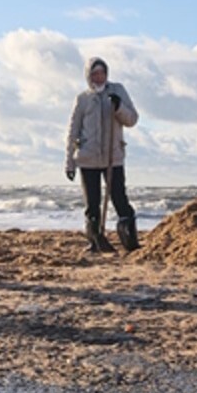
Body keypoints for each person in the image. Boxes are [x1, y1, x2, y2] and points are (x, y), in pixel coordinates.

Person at [65, 57, 140, 252]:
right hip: (88, 159)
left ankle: (130, 241)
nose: (99, 77)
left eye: (102, 73)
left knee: (119, 198)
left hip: (112, 157)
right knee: (92, 204)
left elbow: (132, 119)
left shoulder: (118, 90)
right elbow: (73, 131)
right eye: (94, 74)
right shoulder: (82, 99)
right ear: (88, 76)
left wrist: (118, 107)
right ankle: (96, 242)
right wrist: (70, 163)